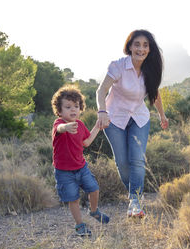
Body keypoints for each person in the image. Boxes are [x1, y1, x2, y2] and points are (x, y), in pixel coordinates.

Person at [96, 29, 168, 218]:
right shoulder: (118, 66)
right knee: (122, 162)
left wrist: (162, 116)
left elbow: (155, 95)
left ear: (149, 49)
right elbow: (101, 91)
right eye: (137, 44)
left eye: (145, 45)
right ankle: (134, 193)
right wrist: (102, 112)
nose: (141, 49)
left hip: (139, 118)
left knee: (137, 159)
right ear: (129, 46)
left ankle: (135, 202)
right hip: (114, 119)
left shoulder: (150, 70)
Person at [51, 84, 110, 236]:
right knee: (74, 199)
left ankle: (94, 211)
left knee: (94, 188)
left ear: (80, 108)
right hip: (64, 172)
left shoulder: (80, 124)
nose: (73, 109)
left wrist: (97, 127)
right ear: (60, 110)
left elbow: (86, 142)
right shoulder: (59, 124)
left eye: (76, 106)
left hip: (81, 167)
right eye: (68, 106)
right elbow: (59, 129)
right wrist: (66, 127)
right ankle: (80, 226)